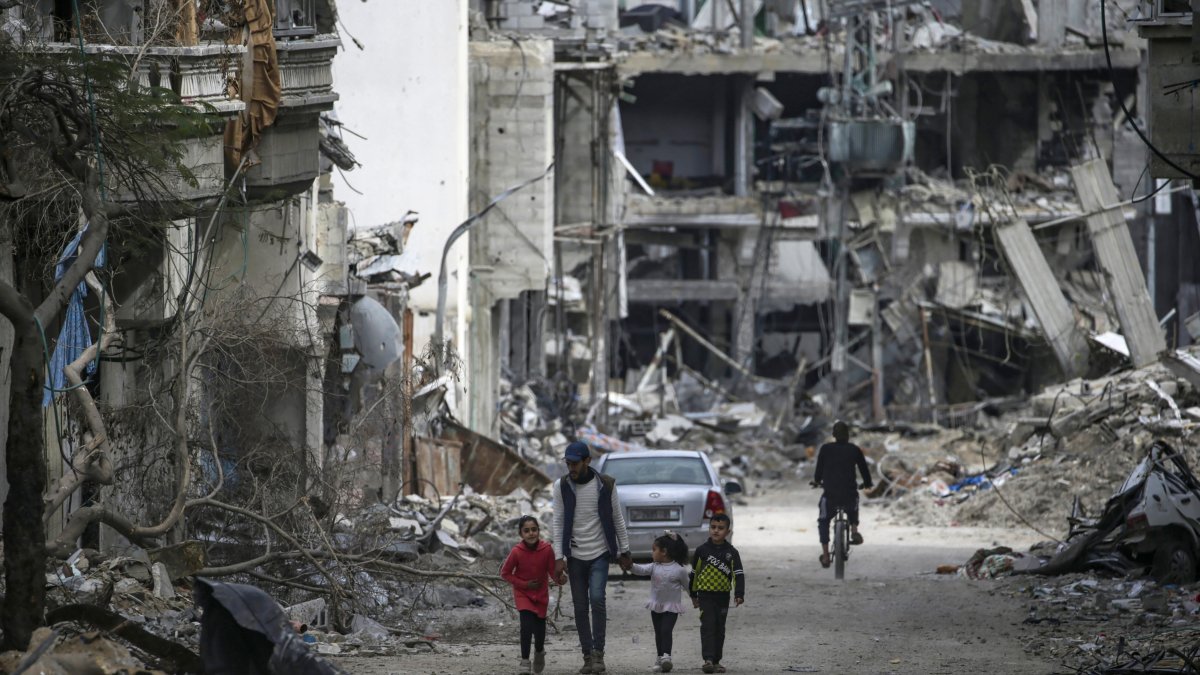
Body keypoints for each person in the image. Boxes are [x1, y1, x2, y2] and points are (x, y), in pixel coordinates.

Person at [552, 441, 633, 674]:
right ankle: (587, 656)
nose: (571, 468)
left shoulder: (605, 485)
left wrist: (624, 550)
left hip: (599, 553)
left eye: (575, 463)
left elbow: (617, 518)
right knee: (579, 607)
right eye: (568, 463)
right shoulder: (562, 486)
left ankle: (599, 653)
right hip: (575, 555)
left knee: (597, 599)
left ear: (587, 461)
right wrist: (559, 557)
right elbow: (558, 522)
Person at [500, 516, 557, 675]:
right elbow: (505, 573)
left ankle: (539, 651)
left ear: (539, 531)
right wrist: (524, 584)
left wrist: (561, 577)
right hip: (523, 594)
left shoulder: (547, 549)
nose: (531, 533)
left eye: (534, 529)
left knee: (539, 631)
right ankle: (525, 661)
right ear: (521, 534)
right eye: (527, 531)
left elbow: (553, 572)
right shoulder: (516, 552)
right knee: (526, 626)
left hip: (541, 595)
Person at [813, 420, 874, 568]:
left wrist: (816, 481)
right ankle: (853, 529)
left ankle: (826, 556)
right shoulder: (854, 450)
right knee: (854, 501)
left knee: (823, 520)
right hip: (849, 493)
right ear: (848, 435)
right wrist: (867, 483)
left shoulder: (825, 449)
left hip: (830, 495)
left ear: (834, 435)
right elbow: (864, 470)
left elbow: (819, 470)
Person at [689, 514, 745, 674]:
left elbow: (738, 574)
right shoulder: (702, 551)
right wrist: (693, 595)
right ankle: (707, 659)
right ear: (709, 528)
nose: (716, 531)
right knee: (708, 626)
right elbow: (694, 574)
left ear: (728, 531)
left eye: (720, 528)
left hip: (723, 597)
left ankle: (716, 660)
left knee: (720, 628)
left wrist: (739, 593)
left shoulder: (732, 553)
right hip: (705, 596)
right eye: (713, 527)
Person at [630, 533, 691, 673]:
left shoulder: (679, 570)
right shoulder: (654, 566)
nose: (652, 553)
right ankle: (659, 657)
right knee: (658, 632)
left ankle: (666, 657)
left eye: (654, 549)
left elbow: (688, 586)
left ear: (664, 552)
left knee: (666, 630)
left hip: (672, 607)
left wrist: (695, 599)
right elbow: (640, 569)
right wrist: (630, 565)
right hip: (656, 606)